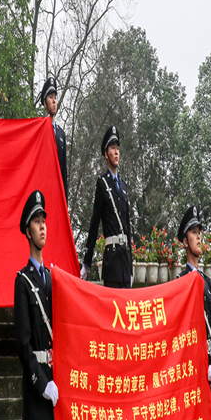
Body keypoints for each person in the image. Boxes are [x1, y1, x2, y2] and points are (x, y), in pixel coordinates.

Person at [14, 189, 58, 420]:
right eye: (37, 222)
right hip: (36, 396)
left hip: (57, 395)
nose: (42, 226)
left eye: (44, 220)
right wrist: (42, 384)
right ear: (28, 232)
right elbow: (23, 343)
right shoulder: (22, 281)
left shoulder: (55, 279)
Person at [177, 205, 211, 411]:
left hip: (210, 373)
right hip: (192, 375)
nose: (198, 237)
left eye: (199, 233)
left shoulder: (207, 282)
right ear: (185, 242)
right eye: (193, 233)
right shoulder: (180, 283)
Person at [80, 125, 133, 288]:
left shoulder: (123, 186)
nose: (116, 152)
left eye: (118, 148)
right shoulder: (102, 183)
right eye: (112, 148)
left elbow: (127, 226)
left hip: (125, 260)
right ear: (106, 153)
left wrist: (131, 267)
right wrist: (86, 263)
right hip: (112, 261)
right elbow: (95, 224)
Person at [39, 77, 68, 203]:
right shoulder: (40, 129)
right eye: (51, 97)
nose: (54, 101)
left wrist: (65, 201)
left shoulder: (61, 135)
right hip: (44, 192)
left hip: (58, 196)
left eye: (55, 97)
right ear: (45, 103)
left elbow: (64, 172)